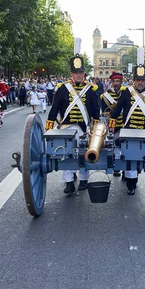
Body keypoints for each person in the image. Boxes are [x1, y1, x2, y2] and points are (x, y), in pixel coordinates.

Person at [45, 47, 100, 194]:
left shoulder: (90, 89)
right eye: (76, 73)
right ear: (71, 74)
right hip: (66, 127)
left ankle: (83, 179)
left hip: (83, 128)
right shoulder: (63, 88)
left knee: (84, 153)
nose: (78, 75)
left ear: (84, 74)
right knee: (66, 154)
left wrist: (95, 127)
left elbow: (96, 109)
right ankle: (69, 182)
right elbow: (55, 107)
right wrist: (49, 124)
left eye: (80, 73)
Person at [110, 63, 145, 195]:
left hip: (143, 131)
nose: (140, 82)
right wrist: (111, 119)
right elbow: (119, 108)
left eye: (142, 80)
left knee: (138, 157)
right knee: (129, 157)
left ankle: (133, 178)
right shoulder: (127, 92)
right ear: (134, 80)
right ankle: (131, 184)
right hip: (128, 130)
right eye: (138, 80)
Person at [101, 72, 124, 177]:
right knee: (113, 146)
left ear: (121, 82)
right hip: (112, 124)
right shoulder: (106, 96)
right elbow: (103, 109)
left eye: (118, 81)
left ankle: (125, 168)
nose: (116, 83)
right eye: (114, 81)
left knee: (124, 146)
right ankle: (116, 166)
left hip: (124, 123)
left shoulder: (126, 93)